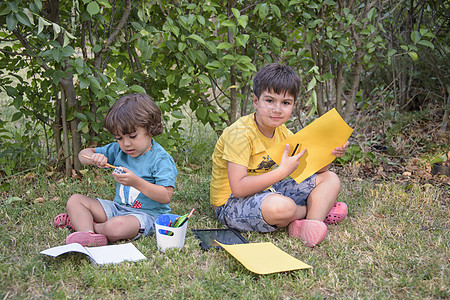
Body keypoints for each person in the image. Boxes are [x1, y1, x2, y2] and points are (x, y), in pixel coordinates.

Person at [210, 63, 349, 247]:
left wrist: (331, 154)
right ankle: (314, 209)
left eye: (285, 103)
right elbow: (239, 188)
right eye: (269, 101)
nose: (277, 109)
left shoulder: (282, 131)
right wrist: (282, 172)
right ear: (255, 101)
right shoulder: (240, 134)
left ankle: (311, 223)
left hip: (267, 191)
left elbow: (312, 168)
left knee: (330, 178)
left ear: (293, 105)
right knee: (282, 207)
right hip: (230, 205)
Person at [54, 93, 177, 247]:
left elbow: (166, 196)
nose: (126, 144)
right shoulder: (118, 151)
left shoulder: (160, 159)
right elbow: (82, 155)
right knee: (75, 200)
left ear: (150, 129)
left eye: (132, 136)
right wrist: (94, 158)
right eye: (119, 138)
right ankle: (87, 234)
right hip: (117, 208)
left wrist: (135, 182)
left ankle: (88, 226)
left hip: (146, 216)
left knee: (116, 226)